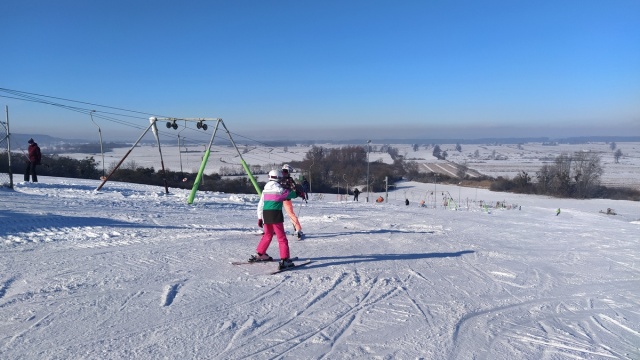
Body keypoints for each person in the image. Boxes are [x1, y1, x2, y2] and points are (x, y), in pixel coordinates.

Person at [251, 169, 300, 270]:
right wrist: (299, 193)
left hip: (265, 214)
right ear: (279, 178)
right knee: (281, 238)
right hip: (275, 214)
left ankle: (261, 253)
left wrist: (260, 217)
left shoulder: (265, 189)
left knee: (267, 235)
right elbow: (291, 194)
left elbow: (261, 204)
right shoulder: (279, 189)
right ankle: (285, 260)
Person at [280, 164, 304, 240]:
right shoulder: (289, 179)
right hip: (284, 199)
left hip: (280, 199)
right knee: (290, 214)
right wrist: (299, 193)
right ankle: (298, 229)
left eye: (286, 171)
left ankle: (298, 229)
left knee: (288, 214)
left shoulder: (279, 178)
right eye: (284, 171)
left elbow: (294, 189)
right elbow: (294, 189)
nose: (285, 173)